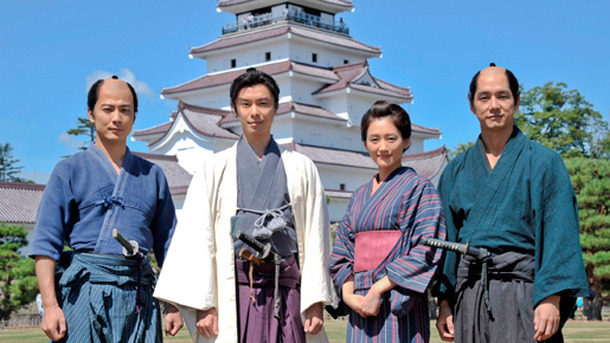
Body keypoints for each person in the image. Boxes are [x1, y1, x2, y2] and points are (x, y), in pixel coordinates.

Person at [154, 68, 333, 342]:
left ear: (276, 108)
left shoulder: (301, 167)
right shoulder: (214, 168)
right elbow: (196, 237)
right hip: (234, 290)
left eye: (263, 103)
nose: (255, 112)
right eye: (246, 104)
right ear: (235, 109)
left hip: (287, 289)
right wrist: (204, 302)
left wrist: (316, 299)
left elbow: (316, 238)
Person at [434, 64, 589, 342]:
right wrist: (445, 301)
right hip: (470, 294)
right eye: (484, 97)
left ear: (516, 101)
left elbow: (560, 234)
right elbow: (447, 241)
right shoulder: (456, 170)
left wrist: (551, 296)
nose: (494, 105)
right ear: (472, 105)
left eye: (502, 96)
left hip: (526, 294)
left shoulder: (545, 163)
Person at [29, 76, 181, 342]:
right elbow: (45, 243)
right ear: (91, 114)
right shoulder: (69, 170)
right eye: (107, 109)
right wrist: (51, 306)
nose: (117, 118)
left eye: (125, 110)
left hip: (139, 294)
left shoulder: (153, 175)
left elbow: (168, 245)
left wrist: (174, 303)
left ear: (134, 117)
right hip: (85, 291)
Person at [330, 101, 446, 342]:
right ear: (365, 143)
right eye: (374, 140)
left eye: (391, 139)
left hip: (398, 299)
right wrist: (350, 296)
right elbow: (342, 249)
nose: (382, 147)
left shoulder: (420, 189)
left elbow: (426, 248)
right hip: (359, 302)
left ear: (406, 141)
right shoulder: (359, 196)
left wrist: (378, 289)